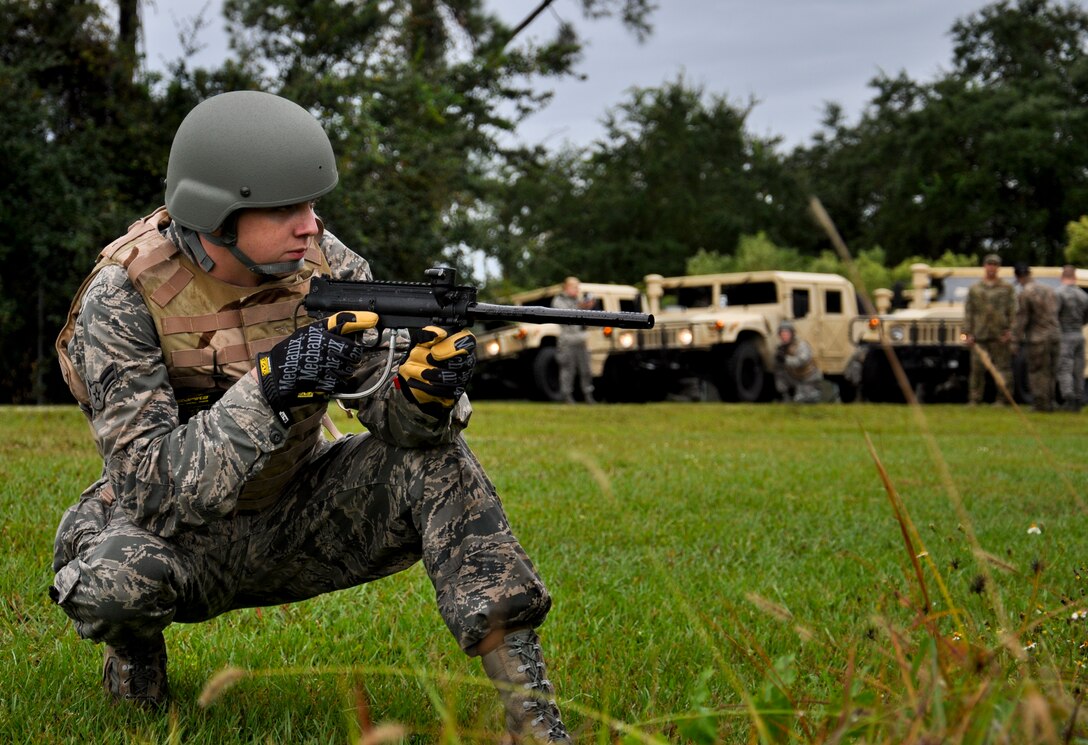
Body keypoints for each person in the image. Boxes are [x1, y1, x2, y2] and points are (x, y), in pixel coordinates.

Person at [50, 90, 571, 742]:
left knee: (439, 459)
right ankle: (135, 665)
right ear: (219, 212)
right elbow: (151, 490)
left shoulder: (328, 267)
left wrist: (425, 394)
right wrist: (270, 387)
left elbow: (397, 426)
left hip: (298, 512)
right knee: (112, 579)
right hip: (179, 539)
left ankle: (531, 718)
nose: (312, 226)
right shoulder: (125, 295)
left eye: (313, 204)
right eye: (286, 208)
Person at [963, 254, 1016, 404]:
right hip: (979, 334)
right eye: (989, 264)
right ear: (984, 266)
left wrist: (1010, 331)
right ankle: (975, 399)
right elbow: (969, 312)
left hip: (999, 334)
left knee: (1002, 369)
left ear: (998, 268)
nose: (992, 267)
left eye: (995, 265)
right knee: (977, 370)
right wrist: (967, 333)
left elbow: (1012, 310)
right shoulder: (975, 289)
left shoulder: (1006, 288)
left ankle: (1003, 398)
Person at [1013, 262, 1061, 412]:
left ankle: (1040, 404)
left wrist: (1015, 340)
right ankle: (1051, 401)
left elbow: (1022, 319)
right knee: (1051, 371)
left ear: (1018, 276)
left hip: (1038, 337)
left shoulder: (1025, 293)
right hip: (1055, 335)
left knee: (1037, 371)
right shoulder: (1049, 290)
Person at [551, 276, 595, 403]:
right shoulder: (558, 300)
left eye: (578, 286)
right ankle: (567, 396)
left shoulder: (578, 300)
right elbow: (565, 315)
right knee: (567, 371)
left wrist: (587, 307)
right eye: (574, 286)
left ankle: (588, 395)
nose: (577, 289)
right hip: (567, 340)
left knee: (586, 369)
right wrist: (580, 307)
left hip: (581, 339)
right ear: (566, 287)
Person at [1054, 264, 1088, 411]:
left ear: (1062, 277)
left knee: (1064, 368)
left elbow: (1054, 314)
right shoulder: (1083, 295)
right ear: (1075, 277)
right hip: (1079, 334)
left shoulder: (1058, 293)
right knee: (1078, 368)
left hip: (1064, 334)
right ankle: (1079, 397)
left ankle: (1069, 398)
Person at [773, 321, 830, 403]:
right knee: (779, 372)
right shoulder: (781, 347)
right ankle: (784, 396)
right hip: (794, 377)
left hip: (808, 377)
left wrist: (785, 359)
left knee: (804, 399)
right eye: (782, 334)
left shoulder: (801, 345)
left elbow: (802, 361)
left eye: (786, 333)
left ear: (792, 334)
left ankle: (812, 392)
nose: (784, 336)